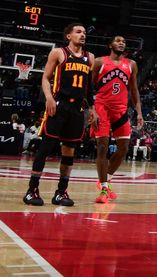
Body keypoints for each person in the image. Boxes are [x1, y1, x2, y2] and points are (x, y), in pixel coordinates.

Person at [24, 23, 95, 207]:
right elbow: (46, 78)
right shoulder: (59, 53)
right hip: (59, 105)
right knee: (45, 148)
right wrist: (48, 97)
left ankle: (61, 192)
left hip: (77, 110)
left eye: (84, 32)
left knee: (69, 153)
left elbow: (89, 88)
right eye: (78, 32)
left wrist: (93, 109)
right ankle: (32, 190)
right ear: (68, 36)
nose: (83, 35)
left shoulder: (90, 58)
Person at [91, 35, 143, 203]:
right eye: (118, 41)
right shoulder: (99, 62)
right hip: (102, 108)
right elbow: (89, 87)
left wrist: (139, 112)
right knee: (102, 147)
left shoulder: (131, 64)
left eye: (124, 41)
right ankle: (104, 189)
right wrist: (92, 110)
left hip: (121, 110)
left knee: (123, 149)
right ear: (110, 45)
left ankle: (105, 180)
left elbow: (134, 90)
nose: (121, 43)